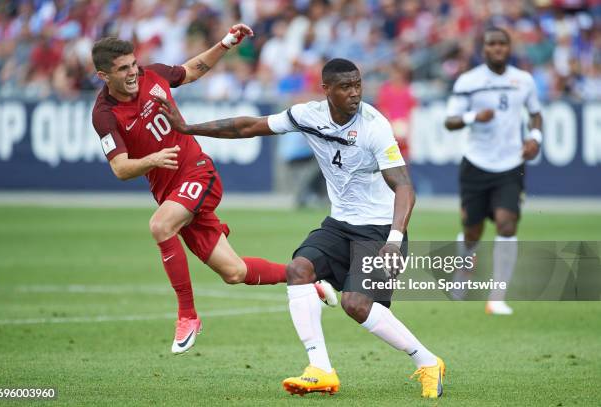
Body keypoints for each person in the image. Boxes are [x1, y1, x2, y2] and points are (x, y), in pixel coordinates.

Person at [155, 58, 446, 399]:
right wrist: (188, 129)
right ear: (327, 90)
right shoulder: (308, 115)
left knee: (355, 304)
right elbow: (248, 127)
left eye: (358, 85)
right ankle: (320, 368)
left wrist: (395, 241)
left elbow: (405, 187)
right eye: (345, 87)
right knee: (299, 269)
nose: (355, 93)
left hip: (380, 231)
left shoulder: (374, 126)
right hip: (339, 224)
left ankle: (427, 362)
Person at [90, 28, 335, 355]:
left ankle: (188, 316)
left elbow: (192, 70)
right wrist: (153, 160)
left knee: (160, 226)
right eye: (123, 69)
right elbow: (120, 168)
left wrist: (225, 44)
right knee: (234, 272)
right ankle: (310, 279)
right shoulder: (104, 115)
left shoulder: (155, 75)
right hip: (169, 192)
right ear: (103, 75)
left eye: (133, 64)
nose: (133, 72)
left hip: (197, 172)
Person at [444, 27, 543, 315]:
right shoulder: (469, 81)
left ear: (509, 48)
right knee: (472, 232)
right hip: (476, 163)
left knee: (507, 224)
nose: (498, 48)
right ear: (483, 48)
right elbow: (450, 121)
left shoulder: (523, 81)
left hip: (511, 164)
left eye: (502, 44)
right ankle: (462, 275)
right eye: (492, 44)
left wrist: (535, 139)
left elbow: (536, 114)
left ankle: (497, 297)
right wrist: (475, 116)